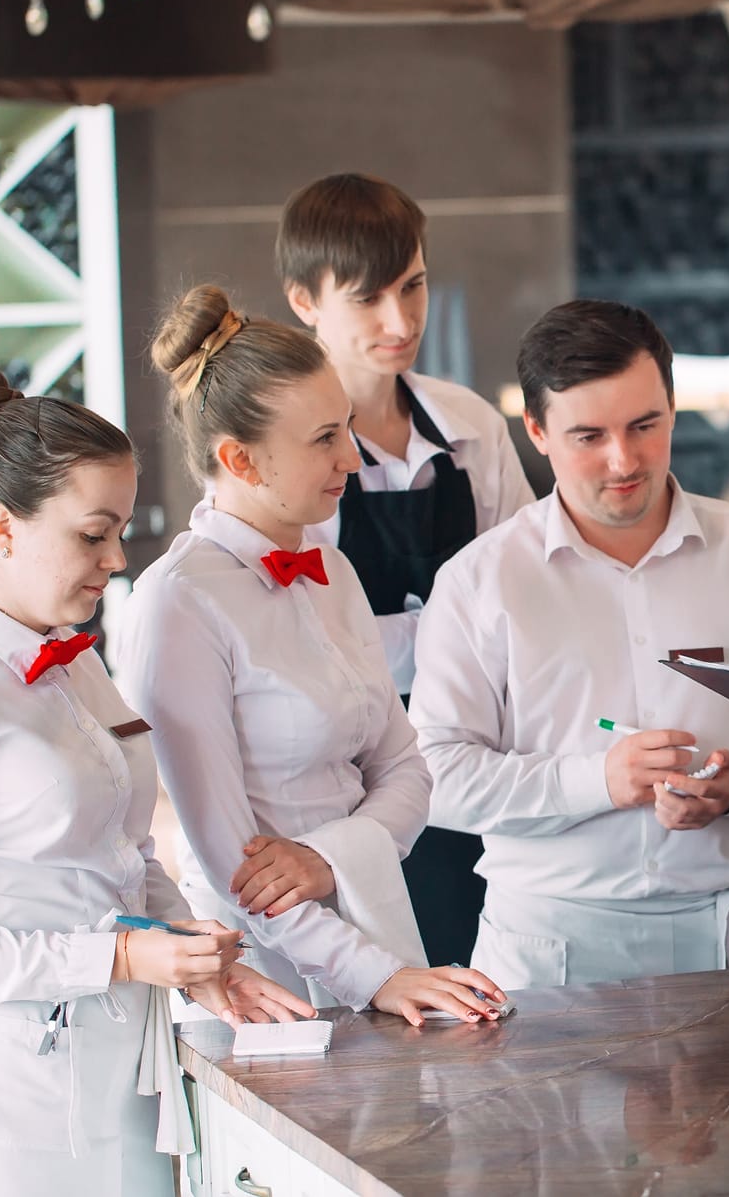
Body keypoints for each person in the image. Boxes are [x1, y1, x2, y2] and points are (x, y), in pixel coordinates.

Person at [0, 370, 312, 1197]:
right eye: (93, 535)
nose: (116, 559)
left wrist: (192, 952)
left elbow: (124, 852)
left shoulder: (80, 657)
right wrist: (123, 954)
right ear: (3, 527)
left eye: (121, 533)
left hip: (118, 1080)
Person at [409, 300, 729, 990]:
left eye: (644, 425)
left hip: (728, 938)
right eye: (588, 435)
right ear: (536, 429)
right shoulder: (479, 580)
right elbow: (434, 775)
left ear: (674, 409)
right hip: (547, 948)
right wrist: (596, 780)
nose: (624, 460)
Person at [117, 287, 506, 1027]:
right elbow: (239, 872)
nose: (353, 458)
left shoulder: (336, 573)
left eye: (348, 429)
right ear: (238, 457)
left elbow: (409, 769)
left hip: (379, 931)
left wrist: (328, 860)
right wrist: (380, 975)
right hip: (261, 981)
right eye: (325, 438)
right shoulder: (177, 602)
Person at [284, 173, 535, 967]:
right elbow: (295, 636)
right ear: (303, 301)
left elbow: (528, 583)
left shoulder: (469, 425)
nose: (401, 321)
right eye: (368, 299)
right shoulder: (283, 451)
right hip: (349, 776)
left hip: (480, 755)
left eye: (414, 286)